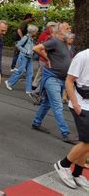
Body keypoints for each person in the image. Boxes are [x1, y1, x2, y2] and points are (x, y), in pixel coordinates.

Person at [32, 22, 77, 144]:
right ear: (59, 31)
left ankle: (36, 123)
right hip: (52, 78)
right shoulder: (54, 41)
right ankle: (65, 133)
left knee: (47, 103)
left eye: (69, 27)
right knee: (57, 105)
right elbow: (36, 48)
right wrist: (47, 58)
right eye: (67, 28)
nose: (70, 29)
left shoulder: (66, 43)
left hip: (62, 79)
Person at [54, 49, 89, 191]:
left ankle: (77, 173)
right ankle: (63, 165)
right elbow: (69, 81)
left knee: (86, 143)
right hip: (80, 104)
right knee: (87, 142)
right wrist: (75, 104)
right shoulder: (82, 56)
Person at [5, 24, 39, 99]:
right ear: (32, 32)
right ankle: (9, 82)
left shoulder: (32, 38)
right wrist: (26, 51)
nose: (36, 33)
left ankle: (28, 90)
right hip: (23, 57)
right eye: (36, 31)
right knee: (21, 71)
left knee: (30, 73)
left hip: (29, 58)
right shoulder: (25, 38)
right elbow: (18, 45)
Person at [31, 22, 58, 100]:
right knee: (45, 76)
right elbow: (40, 48)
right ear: (50, 27)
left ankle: (35, 86)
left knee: (42, 73)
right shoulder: (47, 36)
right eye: (54, 26)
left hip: (44, 59)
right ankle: (37, 91)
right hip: (44, 59)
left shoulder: (47, 35)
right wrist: (47, 58)